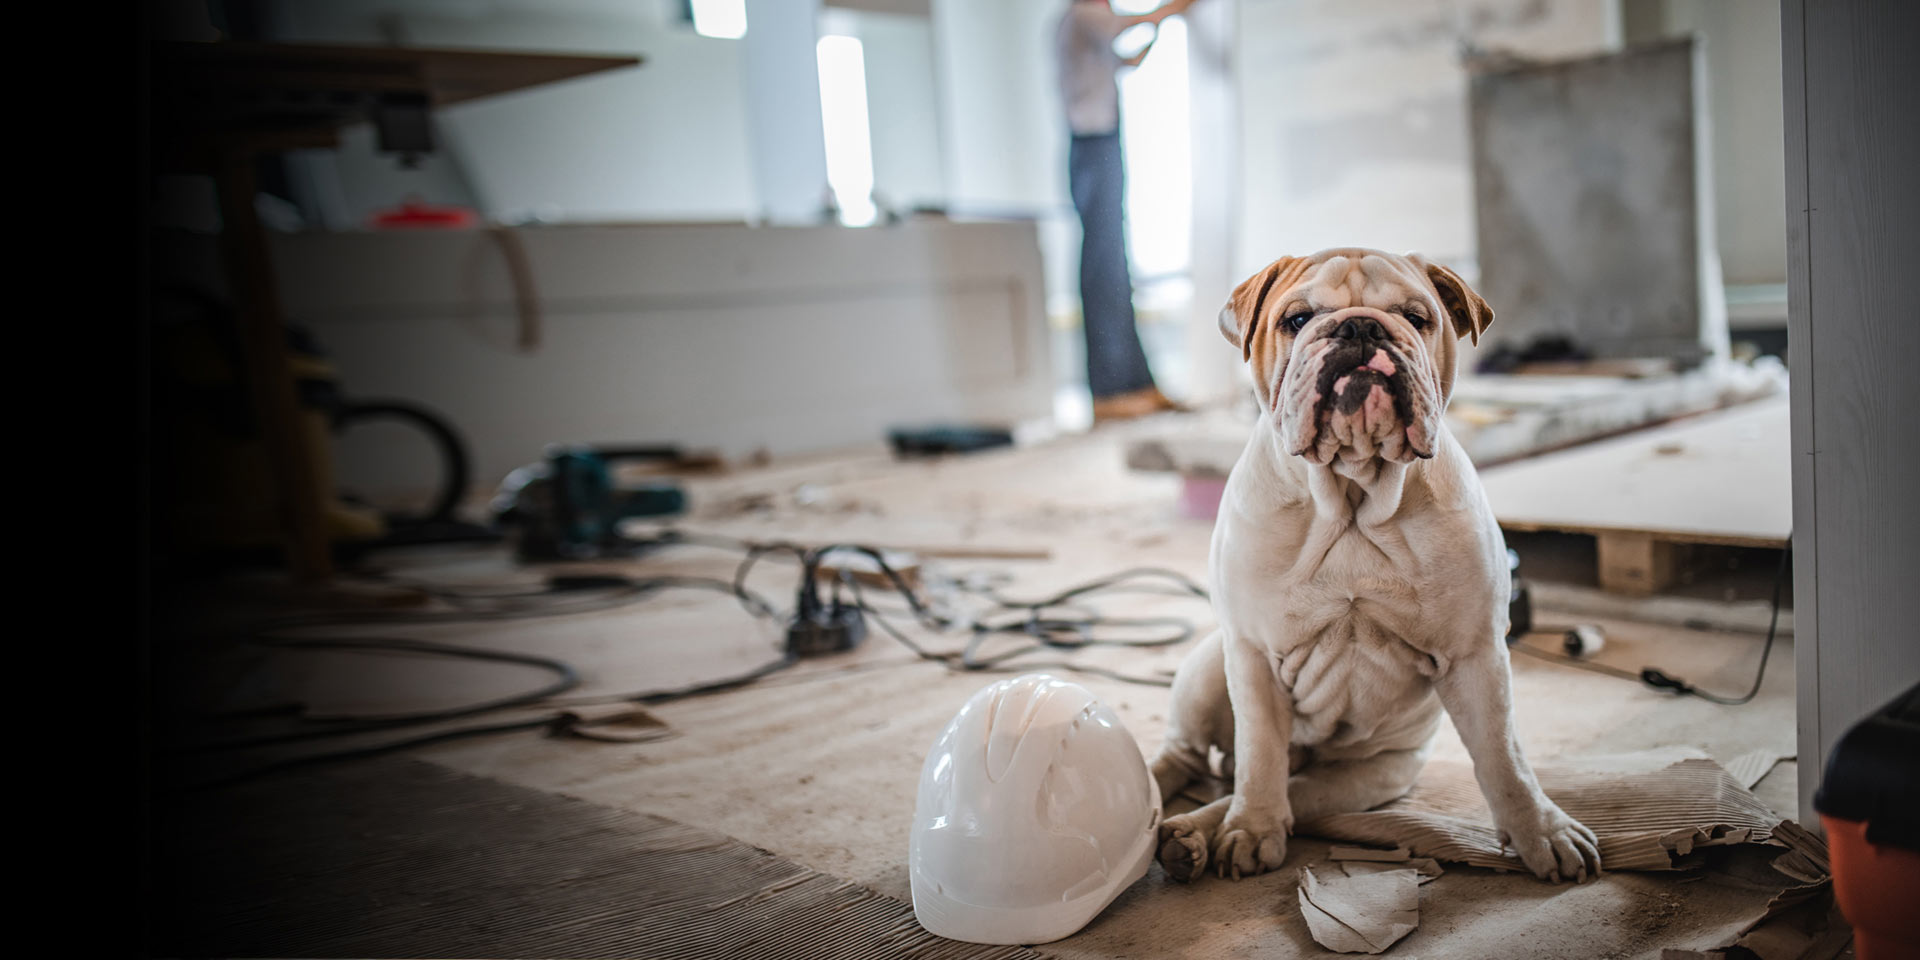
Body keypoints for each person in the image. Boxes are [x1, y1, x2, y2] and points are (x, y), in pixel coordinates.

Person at [1056, 0, 1195, 421]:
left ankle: (1135, 383)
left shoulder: (1086, 24)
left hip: (1100, 139)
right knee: (1104, 266)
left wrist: (1159, 26)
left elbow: (1128, 58)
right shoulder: (1081, 16)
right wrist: (1176, 8)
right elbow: (1127, 24)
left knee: (1116, 266)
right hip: (1090, 142)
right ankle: (1112, 389)